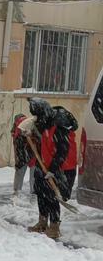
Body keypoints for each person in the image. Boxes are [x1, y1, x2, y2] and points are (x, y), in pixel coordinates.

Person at [21, 98, 78, 239]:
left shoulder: (60, 124)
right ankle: (42, 222)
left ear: (44, 112)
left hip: (62, 166)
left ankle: (54, 227)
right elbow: (43, 141)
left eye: (38, 115)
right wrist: (31, 136)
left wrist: (53, 169)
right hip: (45, 162)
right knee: (41, 191)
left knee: (52, 196)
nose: (36, 118)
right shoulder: (44, 121)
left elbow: (62, 150)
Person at [11, 114, 35, 195]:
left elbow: (17, 143)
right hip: (30, 153)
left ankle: (17, 191)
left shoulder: (18, 127)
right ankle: (33, 191)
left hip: (24, 153)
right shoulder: (28, 123)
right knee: (33, 175)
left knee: (20, 173)